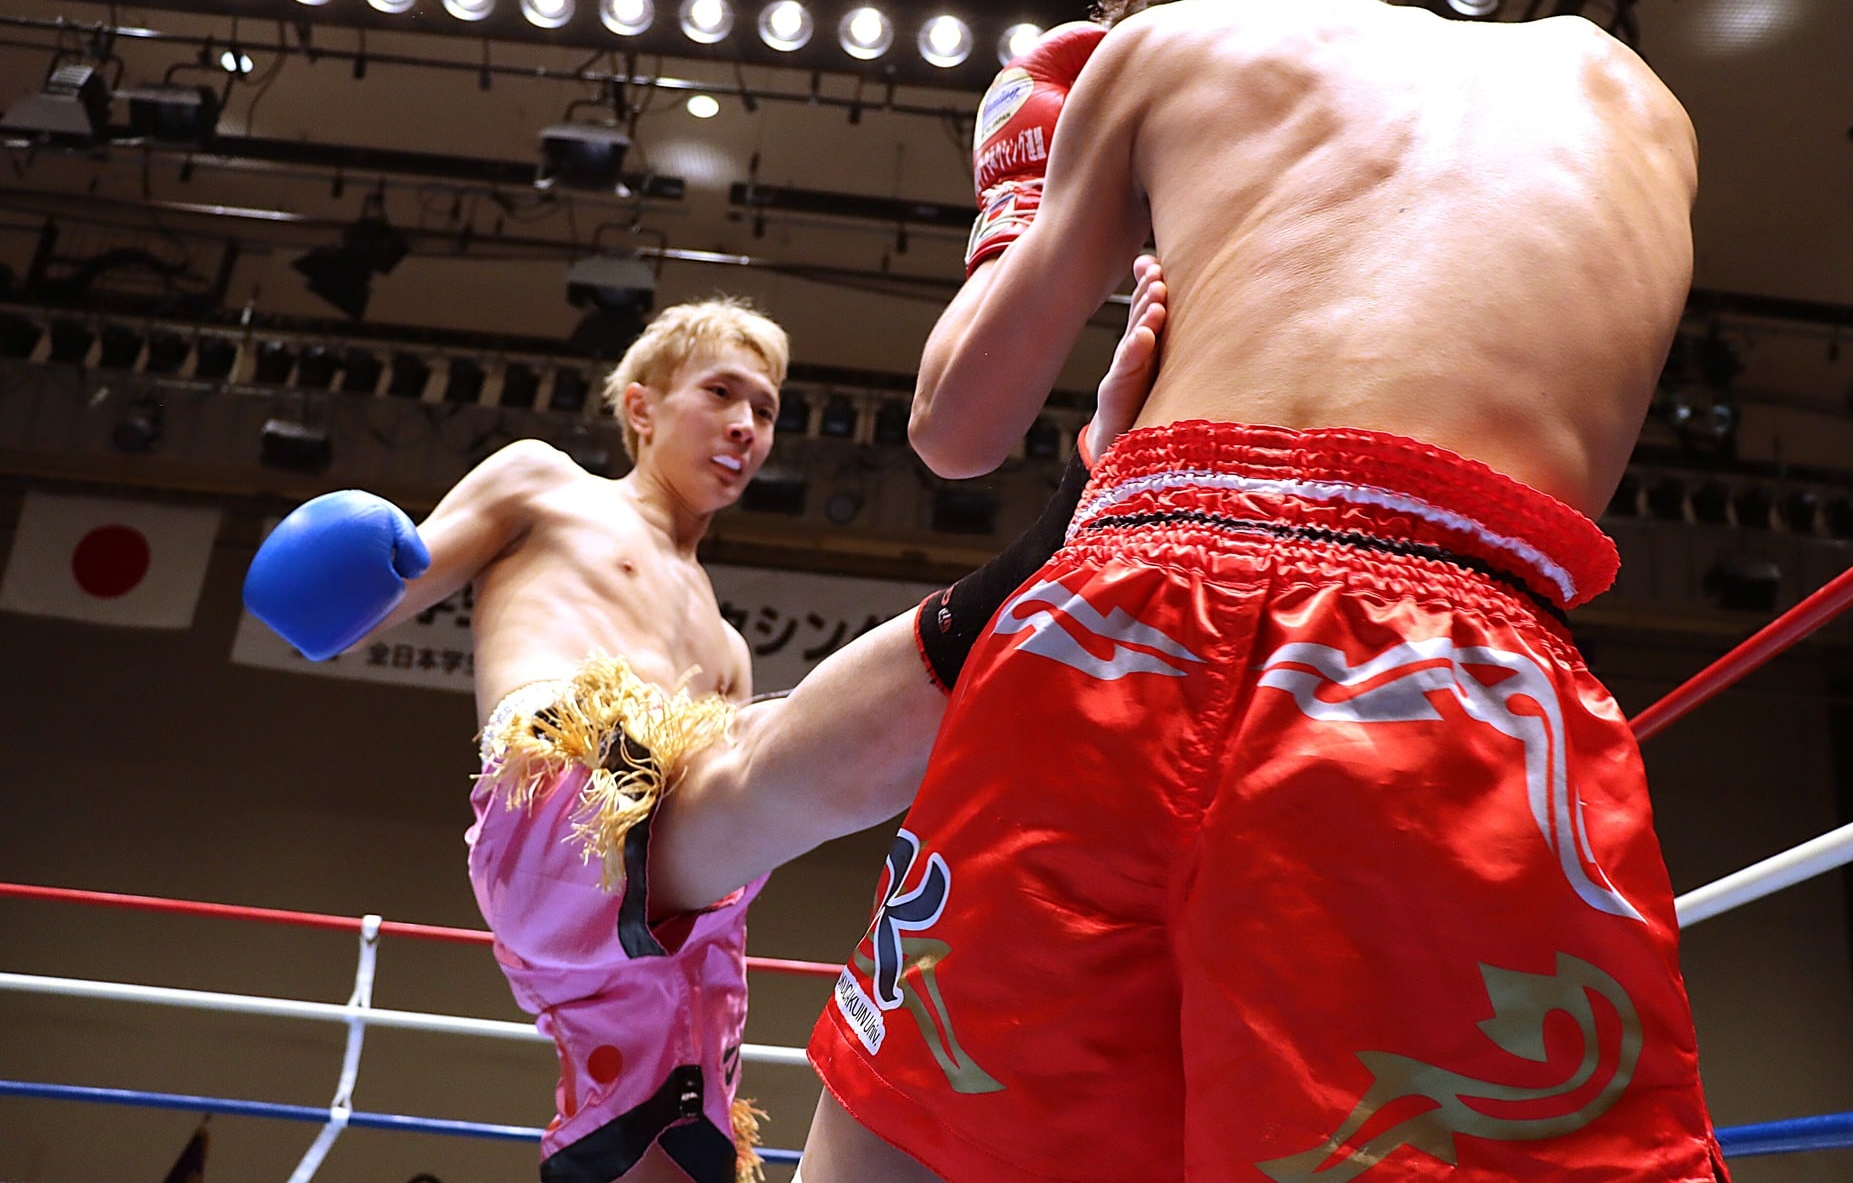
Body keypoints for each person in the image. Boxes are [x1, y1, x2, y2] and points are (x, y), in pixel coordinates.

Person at [801, 0, 1729, 1182]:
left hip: (1124, 617)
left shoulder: (1157, 49)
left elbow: (954, 430)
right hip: (1460, 678)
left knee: (924, 1140)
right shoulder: (1625, 90)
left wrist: (1016, 211)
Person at [241, 285, 1166, 1183]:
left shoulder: (726, 644)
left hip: (665, 924)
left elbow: (737, 823)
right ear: (641, 407)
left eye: (764, 409)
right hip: (560, 809)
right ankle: (1040, 553)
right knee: (770, 748)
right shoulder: (547, 485)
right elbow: (369, 598)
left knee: (681, 1135)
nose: (745, 426)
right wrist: (352, 568)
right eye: (720, 392)